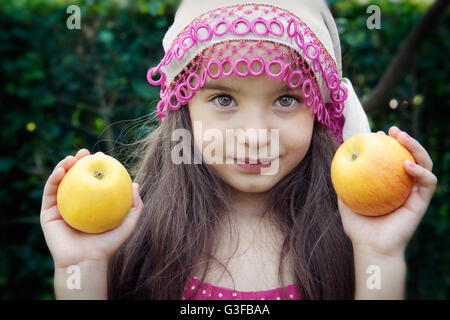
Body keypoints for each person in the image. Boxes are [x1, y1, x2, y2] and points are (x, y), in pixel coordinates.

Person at [40, 0, 437, 300]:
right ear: (184, 107)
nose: (253, 135)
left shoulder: (345, 235)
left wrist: (379, 255)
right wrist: (83, 267)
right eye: (224, 100)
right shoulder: (133, 231)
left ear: (318, 111)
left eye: (285, 100)